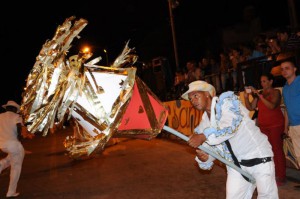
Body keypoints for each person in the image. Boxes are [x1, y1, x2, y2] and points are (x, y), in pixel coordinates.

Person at [181, 81, 278, 199]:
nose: (193, 101)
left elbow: (229, 127)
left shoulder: (227, 102)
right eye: (191, 99)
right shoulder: (204, 124)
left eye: (196, 95)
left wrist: (203, 136)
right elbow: (212, 148)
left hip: (258, 158)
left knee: (267, 197)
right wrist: (205, 157)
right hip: (236, 167)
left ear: (207, 94)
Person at [243, 73, 286, 186]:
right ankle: (272, 174)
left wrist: (258, 94)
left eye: (265, 81)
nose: (263, 83)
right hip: (264, 126)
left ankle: (281, 176)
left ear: (271, 81)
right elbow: (250, 107)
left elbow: (272, 106)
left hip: (275, 125)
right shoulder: (260, 94)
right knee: (267, 151)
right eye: (261, 82)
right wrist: (247, 97)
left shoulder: (276, 92)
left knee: (277, 150)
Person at [0, 100, 25, 198]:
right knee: (16, 167)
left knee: (13, 156)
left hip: (2, 145)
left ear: (7, 108)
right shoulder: (17, 117)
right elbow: (19, 128)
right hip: (13, 144)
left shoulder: (0, 116)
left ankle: (1, 164)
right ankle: (11, 192)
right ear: (14, 109)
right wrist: (20, 140)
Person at [280, 60, 300, 169]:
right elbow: (287, 109)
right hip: (293, 126)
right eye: (282, 69)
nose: (284, 71)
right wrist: (285, 127)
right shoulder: (285, 88)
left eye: (287, 68)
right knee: (299, 156)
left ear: (294, 69)